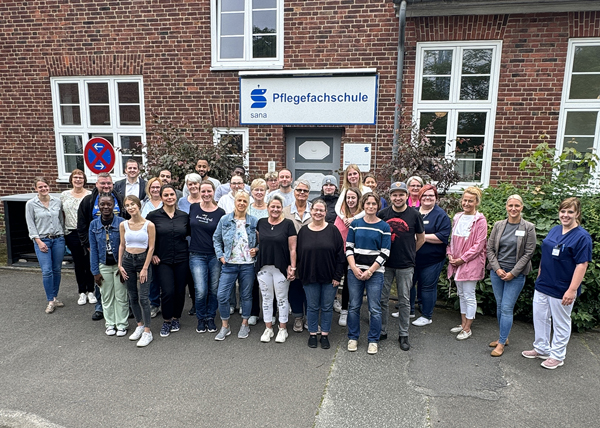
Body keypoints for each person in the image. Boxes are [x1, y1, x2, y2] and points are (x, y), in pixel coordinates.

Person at [522, 197, 592, 369]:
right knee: (540, 317)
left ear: (577, 214)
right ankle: (542, 348)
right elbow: (546, 253)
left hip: (563, 287)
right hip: (544, 283)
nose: (565, 215)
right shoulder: (555, 230)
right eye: (563, 211)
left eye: (570, 212)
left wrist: (572, 290)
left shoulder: (582, 237)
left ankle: (558, 356)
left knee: (561, 322)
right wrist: (539, 274)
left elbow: (582, 264)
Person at [487, 194, 536, 357]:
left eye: (517, 206)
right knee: (500, 306)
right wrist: (497, 268)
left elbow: (529, 253)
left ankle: (501, 343)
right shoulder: (498, 225)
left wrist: (513, 272)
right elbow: (490, 249)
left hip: (516, 274)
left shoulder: (528, 227)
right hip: (497, 272)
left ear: (522, 207)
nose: (513, 209)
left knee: (507, 308)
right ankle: (504, 337)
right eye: (510, 206)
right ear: (506, 207)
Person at [377, 182, 425, 351]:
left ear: (407, 196)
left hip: (405, 265)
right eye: (394, 195)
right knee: (382, 299)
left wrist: (411, 252)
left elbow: (421, 238)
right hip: (385, 264)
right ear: (390, 196)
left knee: (404, 301)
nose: (398, 198)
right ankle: (382, 330)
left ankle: (403, 334)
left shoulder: (414, 215)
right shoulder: (382, 214)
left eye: (401, 194)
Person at [345, 192, 391, 355]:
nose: (370, 206)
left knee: (375, 308)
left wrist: (370, 270)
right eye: (367, 204)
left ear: (378, 206)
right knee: (354, 306)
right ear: (363, 205)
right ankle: (353, 337)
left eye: (373, 204)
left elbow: (385, 252)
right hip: (355, 271)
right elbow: (349, 247)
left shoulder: (384, 226)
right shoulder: (355, 224)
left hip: (375, 273)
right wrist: (355, 267)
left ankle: (373, 340)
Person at [77, 172, 126, 321]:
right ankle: (100, 307)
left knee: (121, 281)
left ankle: (123, 308)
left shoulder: (120, 198)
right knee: (101, 279)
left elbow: (128, 220)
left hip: (118, 247)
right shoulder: (88, 201)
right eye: (102, 183)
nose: (106, 186)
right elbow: (82, 225)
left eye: (108, 183)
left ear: (112, 185)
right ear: (96, 184)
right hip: (97, 247)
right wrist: (88, 245)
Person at [297, 199, 345, 349]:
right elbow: (298, 255)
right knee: (311, 307)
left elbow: (340, 256)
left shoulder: (333, 230)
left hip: (330, 278)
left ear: (325, 212)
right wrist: (301, 274)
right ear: (311, 211)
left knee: (326, 307)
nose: (318, 213)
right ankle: (312, 333)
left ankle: (324, 334)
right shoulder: (303, 231)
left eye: (321, 210)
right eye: (315, 210)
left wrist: (338, 276)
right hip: (309, 277)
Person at [213, 190, 258, 340]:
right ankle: (225, 326)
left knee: (246, 295)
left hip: (247, 265)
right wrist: (220, 256)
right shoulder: (225, 220)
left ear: (248, 203)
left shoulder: (254, 221)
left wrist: (256, 249)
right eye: (239, 200)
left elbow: (262, 242)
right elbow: (216, 238)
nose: (241, 203)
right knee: (222, 295)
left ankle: (244, 323)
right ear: (235, 202)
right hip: (229, 265)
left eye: (244, 201)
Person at [147, 185, 190, 338]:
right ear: (161, 197)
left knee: (179, 291)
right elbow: (147, 237)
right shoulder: (153, 216)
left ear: (176, 196)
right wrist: (152, 254)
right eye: (166, 195)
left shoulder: (184, 216)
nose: (170, 197)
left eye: (172, 194)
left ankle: (176, 318)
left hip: (182, 258)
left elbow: (189, 234)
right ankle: (166, 320)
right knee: (167, 291)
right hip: (162, 260)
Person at [447, 186, 488, 340]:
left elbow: (478, 245)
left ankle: (468, 328)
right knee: (462, 294)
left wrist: (462, 259)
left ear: (476, 202)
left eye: (470, 201)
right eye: (465, 200)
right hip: (456, 263)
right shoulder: (457, 217)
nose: (467, 203)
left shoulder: (480, 220)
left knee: (469, 295)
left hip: (470, 263)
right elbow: (452, 240)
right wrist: (450, 254)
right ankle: (463, 323)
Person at [255, 194, 297, 343]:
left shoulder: (288, 224)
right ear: (267, 208)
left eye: (278, 207)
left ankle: (282, 329)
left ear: (282, 209)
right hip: (264, 267)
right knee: (266, 299)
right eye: (272, 206)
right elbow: (260, 243)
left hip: (281, 268)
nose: (275, 209)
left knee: (282, 299)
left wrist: (293, 267)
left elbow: (293, 248)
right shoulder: (260, 223)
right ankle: (268, 329)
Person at [188, 180, 226, 335]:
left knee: (214, 289)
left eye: (208, 191)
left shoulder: (220, 212)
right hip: (196, 254)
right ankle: (201, 318)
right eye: (202, 191)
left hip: (214, 256)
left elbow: (222, 236)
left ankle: (210, 317)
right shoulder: (193, 208)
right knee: (201, 290)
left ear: (214, 192)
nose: (205, 194)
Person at [411, 185, 452, 328]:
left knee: (427, 287)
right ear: (419, 197)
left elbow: (443, 237)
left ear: (436, 198)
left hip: (432, 259)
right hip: (413, 257)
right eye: (425, 195)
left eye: (431, 195)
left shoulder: (441, 215)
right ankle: (409, 310)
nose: (428, 198)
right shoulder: (414, 212)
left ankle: (426, 316)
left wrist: (421, 237)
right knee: (409, 284)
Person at [118, 195, 156, 347]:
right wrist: (120, 264)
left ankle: (148, 331)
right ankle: (139, 325)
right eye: (127, 205)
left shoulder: (149, 225)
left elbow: (151, 247)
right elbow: (121, 244)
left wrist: (145, 267)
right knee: (132, 295)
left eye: (132, 204)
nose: (130, 207)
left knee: (143, 297)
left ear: (139, 205)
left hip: (142, 261)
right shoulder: (124, 225)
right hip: (127, 260)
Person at [26, 177, 66, 314]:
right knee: (47, 270)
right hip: (42, 240)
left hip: (58, 239)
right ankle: (50, 300)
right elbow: (31, 225)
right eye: (40, 187)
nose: (43, 189)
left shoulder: (57, 201)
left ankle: (55, 297)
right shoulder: (31, 204)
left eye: (45, 186)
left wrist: (62, 235)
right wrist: (38, 241)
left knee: (56, 269)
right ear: (35, 188)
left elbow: (61, 220)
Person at [89, 194, 127, 336]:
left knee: (121, 295)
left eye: (109, 204)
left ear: (114, 205)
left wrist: (124, 267)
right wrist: (95, 272)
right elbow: (93, 250)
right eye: (102, 204)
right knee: (106, 296)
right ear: (98, 206)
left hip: (119, 265)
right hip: (103, 265)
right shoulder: (94, 225)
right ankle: (110, 323)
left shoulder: (122, 222)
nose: (106, 207)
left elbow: (126, 246)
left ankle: (122, 324)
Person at [283, 179, 313, 332]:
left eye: (305, 191)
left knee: (310, 287)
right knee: (294, 287)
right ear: (294, 192)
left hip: (311, 258)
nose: (302, 193)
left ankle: (310, 317)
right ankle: (298, 318)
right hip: (291, 256)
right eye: (299, 190)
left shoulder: (315, 210)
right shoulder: (285, 211)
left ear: (309, 193)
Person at [60, 169, 94, 305]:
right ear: (71, 180)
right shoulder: (64, 195)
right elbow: (61, 213)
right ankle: (81, 292)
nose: (78, 180)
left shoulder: (90, 195)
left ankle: (91, 291)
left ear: (84, 180)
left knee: (89, 261)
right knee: (78, 263)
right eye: (75, 177)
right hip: (71, 232)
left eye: (80, 177)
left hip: (86, 232)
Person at [334, 187, 363, 326]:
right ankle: (338, 307)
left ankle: (347, 309)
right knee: (338, 280)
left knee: (349, 283)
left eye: (353, 198)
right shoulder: (341, 216)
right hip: (340, 253)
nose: (350, 200)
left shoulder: (362, 216)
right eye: (348, 198)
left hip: (356, 254)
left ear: (358, 199)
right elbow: (335, 233)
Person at [141, 177, 163, 319]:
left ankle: (166, 303)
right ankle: (154, 304)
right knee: (153, 277)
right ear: (148, 189)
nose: (155, 189)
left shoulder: (167, 201)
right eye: (152, 187)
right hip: (149, 247)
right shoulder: (144, 204)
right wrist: (152, 251)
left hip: (165, 245)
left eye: (158, 187)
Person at [247, 178, 269, 325]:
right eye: (256, 190)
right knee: (252, 283)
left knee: (268, 283)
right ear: (252, 192)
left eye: (262, 190)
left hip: (267, 250)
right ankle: (254, 312)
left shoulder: (271, 208)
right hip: (250, 252)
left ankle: (271, 313)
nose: (259, 192)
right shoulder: (246, 208)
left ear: (266, 191)